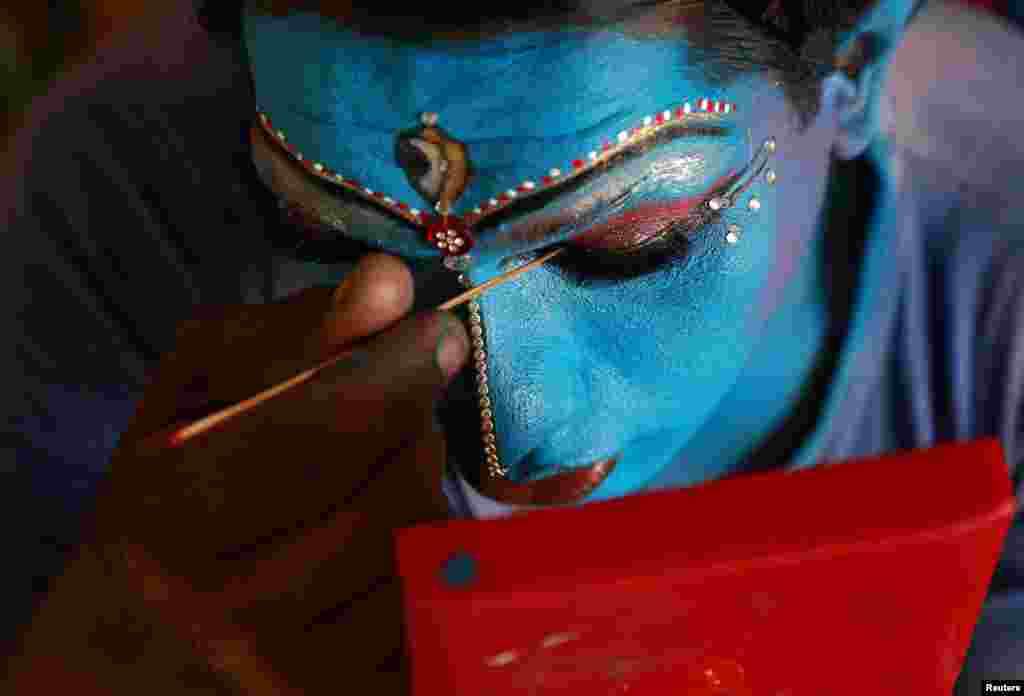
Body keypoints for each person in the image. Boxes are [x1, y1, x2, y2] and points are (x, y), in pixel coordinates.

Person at [2, 0, 1022, 692]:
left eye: (633, 241)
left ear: (850, 66)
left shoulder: (1003, 278)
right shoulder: (121, 213)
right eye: (321, 234)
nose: (512, 434)